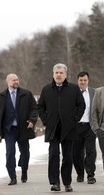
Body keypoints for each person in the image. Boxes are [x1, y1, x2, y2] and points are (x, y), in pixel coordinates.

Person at [37, 63, 86, 192]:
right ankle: (54, 183)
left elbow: (81, 105)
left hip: (69, 127)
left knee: (68, 156)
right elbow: (40, 107)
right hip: (53, 127)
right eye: (56, 73)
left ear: (65, 75)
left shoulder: (74, 89)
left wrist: (75, 119)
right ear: (53, 74)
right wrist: (46, 120)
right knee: (53, 154)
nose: (58, 75)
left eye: (61, 73)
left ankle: (67, 182)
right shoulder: (46, 89)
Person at [0, 73, 38, 185]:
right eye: (13, 80)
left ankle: (24, 170)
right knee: (10, 153)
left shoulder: (26, 94)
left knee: (25, 152)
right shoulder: (1, 97)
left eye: (17, 80)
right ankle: (12, 177)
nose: (16, 82)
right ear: (7, 82)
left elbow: (34, 109)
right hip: (9, 130)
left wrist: (32, 121)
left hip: (23, 127)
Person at [73, 71, 97, 184]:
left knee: (91, 151)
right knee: (77, 152)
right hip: (76, 127)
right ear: (77, 81)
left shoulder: (94, 92)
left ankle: (90, 174)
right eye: (81, 80)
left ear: (88, 81)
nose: (83, 82)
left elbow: (98, 108)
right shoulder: (72, 92)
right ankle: (80, 174)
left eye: (85, 80)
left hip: (89, 126)